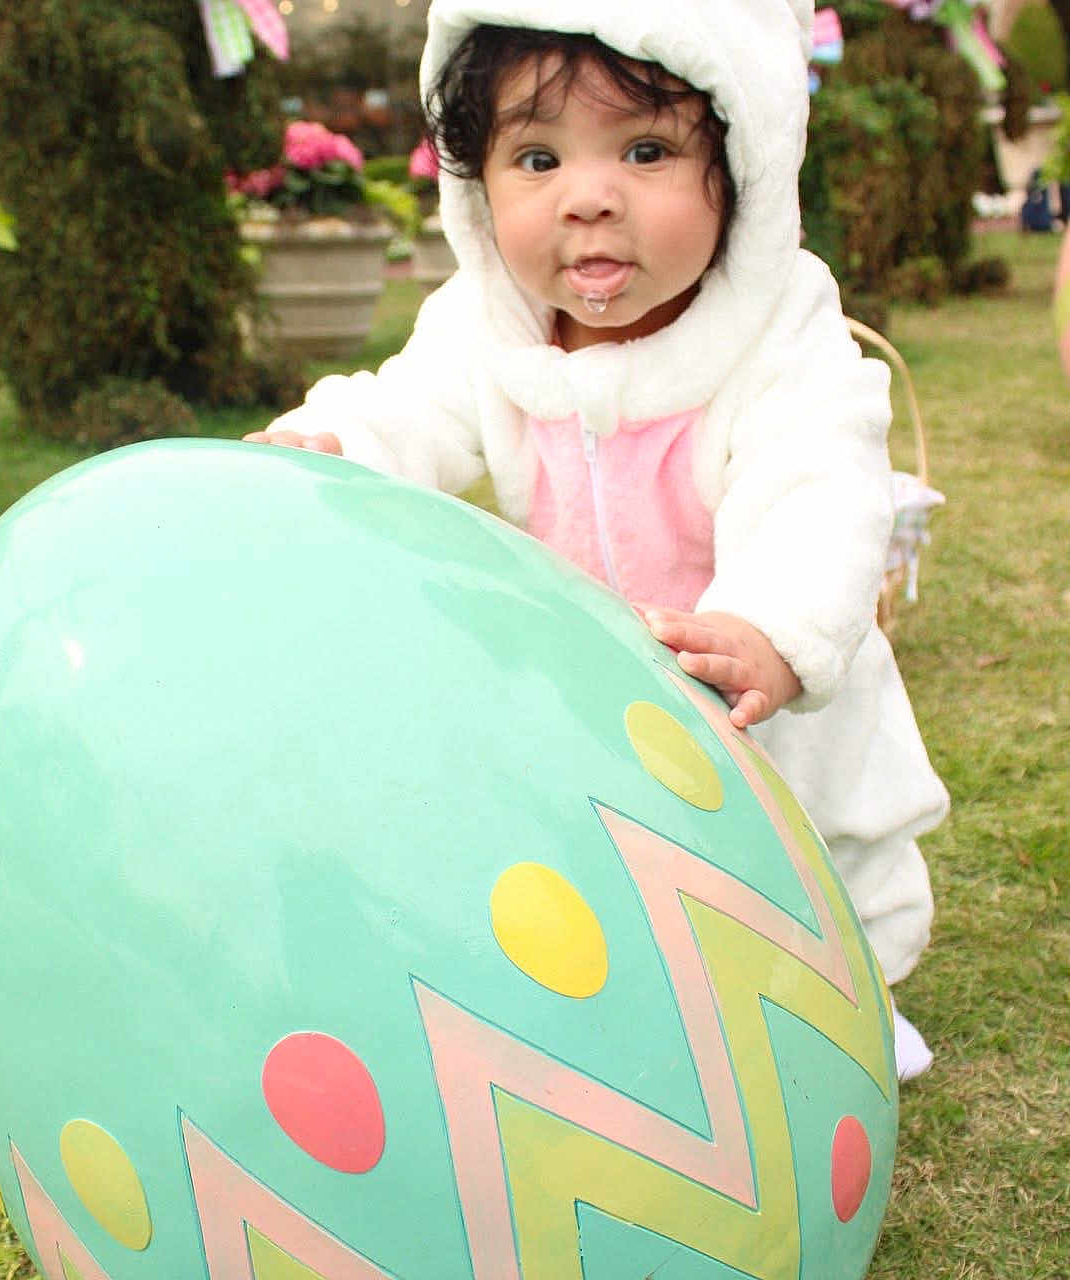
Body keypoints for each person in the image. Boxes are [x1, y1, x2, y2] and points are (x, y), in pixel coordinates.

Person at [245, 0, 949, 1080]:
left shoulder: (780, 332)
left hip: (748, 681)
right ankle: (637, 996)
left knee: (812, 844)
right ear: (475, 185)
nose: (588, 197)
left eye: (646, 149)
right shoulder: (487, 326)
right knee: (604, 857)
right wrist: (333, 446)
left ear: (742, 167)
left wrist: (767, 627)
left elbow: (819, 482)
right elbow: (411, 409)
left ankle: (850, 991)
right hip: (582, 684)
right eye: (535, 157)